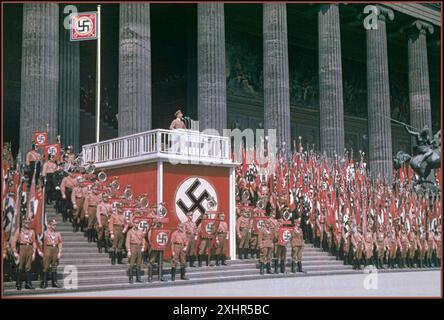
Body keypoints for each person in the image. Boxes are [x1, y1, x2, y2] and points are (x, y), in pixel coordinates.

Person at [11, 219, 39, 290]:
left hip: (29, 248)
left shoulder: (32, 231)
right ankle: (18, 283)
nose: (27, 224)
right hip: (22, 248)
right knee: (20, 266)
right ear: (23, 223)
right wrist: (14, 251)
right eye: (26, 223)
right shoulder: (19, 230)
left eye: (29, 223)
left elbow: (34, 242)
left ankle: (28, 284)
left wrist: (34, 252)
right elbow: (13, 241)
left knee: (28, 266)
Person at [40, 219, 62, 289]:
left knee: (54, 265)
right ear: (49, 225)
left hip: (55, 249)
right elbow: (42, 243)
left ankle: (54, 282)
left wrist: (59, 252)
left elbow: (60, 242)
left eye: (55, 225)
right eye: (53, 225)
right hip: (48, 249)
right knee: (46, 266)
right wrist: (42, 252)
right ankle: (44, 282)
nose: (55, 226)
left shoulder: (58, 233)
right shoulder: (45, 233)